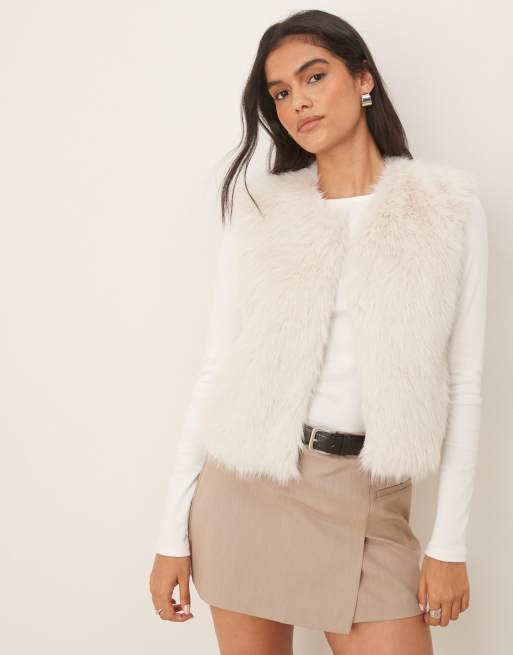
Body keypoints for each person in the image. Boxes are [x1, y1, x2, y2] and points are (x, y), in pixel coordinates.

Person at [149, 10, 488, 655]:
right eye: (280, 93)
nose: (298, 102)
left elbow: (464, 383)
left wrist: (449, 544)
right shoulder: (260, 213)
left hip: (371, 500)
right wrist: (171, 535)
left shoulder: (447, 208)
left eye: (314, 77)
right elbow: (217, 369)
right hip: (247, 489)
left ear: (363, 79)